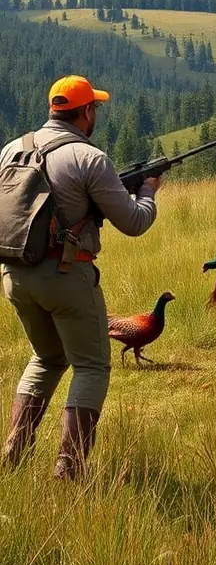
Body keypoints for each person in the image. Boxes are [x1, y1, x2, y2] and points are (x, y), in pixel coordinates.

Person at [0, 76, 161, 480]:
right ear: (86, 112)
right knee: (90, 366)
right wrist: (149, 191)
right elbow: (135, 222)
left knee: (47, 357)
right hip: (66, 275)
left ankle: (12, 454)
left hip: (15, 277)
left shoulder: (11, 151)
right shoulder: (90, 158)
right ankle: (69, 469)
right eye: (95, 109)